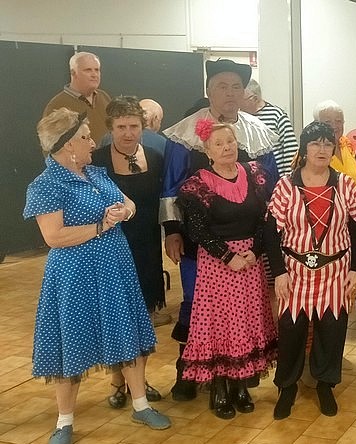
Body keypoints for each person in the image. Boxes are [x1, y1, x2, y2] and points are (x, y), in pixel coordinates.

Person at [23, 108, 171, 444]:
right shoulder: (46, 185)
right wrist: (102, 225)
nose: (93, 143)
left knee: (126, 332)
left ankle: (141, 406)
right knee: (71, 341)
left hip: (114, 268)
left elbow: (129, 204)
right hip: (74, 275)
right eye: (86, 137)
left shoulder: (95, 173)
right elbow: (55, 237)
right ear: (68, 145)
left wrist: (123, 211)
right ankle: (64, 422)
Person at [160, 59, 278, 401]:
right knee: (197, 303)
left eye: (236, 87)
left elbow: (269, 187)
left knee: (244, 307)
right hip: (200, 240)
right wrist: (172, 230)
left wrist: (264, 240)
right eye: (222, 86)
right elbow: (171, 186)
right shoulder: (185, 132)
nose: (230, 93)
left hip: (248, 241)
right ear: (209, 90)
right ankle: (189, 371)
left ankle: (239, 370)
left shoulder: (257, 130)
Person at [176, 120, 279, 419]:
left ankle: (240, 386)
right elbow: (197, 230)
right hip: (218, 265)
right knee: (221, 325)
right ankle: (219, 388)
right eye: (218, 144)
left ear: (238, 143)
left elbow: (265, 218)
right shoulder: (198, 185)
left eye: (230, 142)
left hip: (250, 263)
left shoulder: (255, 173)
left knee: (246, 322)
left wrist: (255, 251)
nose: (226, 148)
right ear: (207, 151)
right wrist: (227, 256)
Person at [265, 121, 356, 420]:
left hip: (336, 270)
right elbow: (270, 232)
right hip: (294, 271)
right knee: (291, 330)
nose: (322, 149)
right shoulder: (286, 185)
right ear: (304, 148)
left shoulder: (345, 184)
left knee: (332, 330)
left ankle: (325, 384)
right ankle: (287, 387)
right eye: (315, 143)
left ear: (333, 148)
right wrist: (279, 272)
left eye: (327, 143)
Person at [92, 96, 168, 410]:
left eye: (134, 126)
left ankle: (140, 381)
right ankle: (117, 382)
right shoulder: (96, 160)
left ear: (143, 127)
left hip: (147, 246)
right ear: (110, 128)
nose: (128, 133)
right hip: (109, 247)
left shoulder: (156, 157)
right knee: (115, 316)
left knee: (144, 316)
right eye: (121, 127)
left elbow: (163, 204)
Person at [43, 52, 111, 141]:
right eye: (88, 70)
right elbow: (50, 144)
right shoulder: (57, 105)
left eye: (97, 70)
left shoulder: (103, 96)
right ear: (73, 73)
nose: (94, 75)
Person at [241, 79, 299, 176]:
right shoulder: (240, 118)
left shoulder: (276, 115)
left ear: (254, 99)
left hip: (275, 177)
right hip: (251, 177)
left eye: (241, 100)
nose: (238, 105)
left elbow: (290, 149)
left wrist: (287, 178)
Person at [314, 100, 356, 185]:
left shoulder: (347, 145)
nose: (334, 125)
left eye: (338, 121)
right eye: (328, 121)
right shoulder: (312, 152)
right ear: (317, 124)